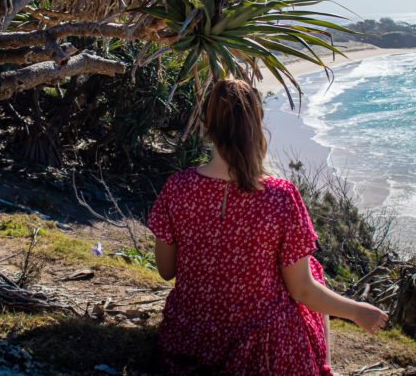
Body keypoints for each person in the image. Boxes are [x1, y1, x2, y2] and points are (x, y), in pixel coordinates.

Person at [148, 78, 389, 375]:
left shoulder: (178, 187)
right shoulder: (280, 195)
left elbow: (166, 270)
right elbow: (302, 291)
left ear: (206, 124)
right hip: (258, 349)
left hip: (187, 339)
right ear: (256, 128)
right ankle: (323, 368)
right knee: (309, 269)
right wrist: (357, 312)